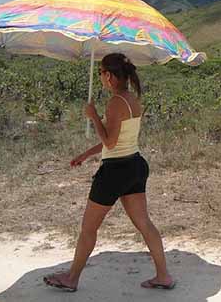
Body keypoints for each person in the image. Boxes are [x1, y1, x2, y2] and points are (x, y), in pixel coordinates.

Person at [43, 53, 175, 292]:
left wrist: (93, 117)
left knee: (88, 228)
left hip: (115, 171)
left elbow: (110, 142)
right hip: (135, 165)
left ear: (110, 76)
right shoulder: (132, 99)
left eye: (101, 72)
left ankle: (71, 278)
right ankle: (163, 276)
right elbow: (119, 139)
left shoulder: (115, 103)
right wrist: (86, 154)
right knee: (145, 223)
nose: (100, 77)